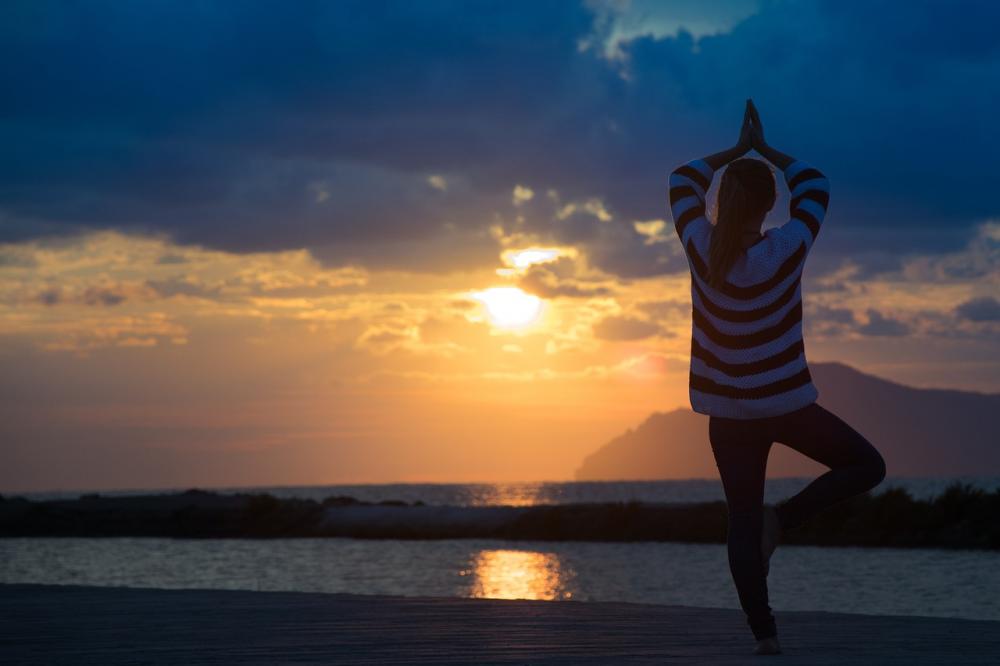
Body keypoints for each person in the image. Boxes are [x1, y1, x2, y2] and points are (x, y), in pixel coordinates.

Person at [667, 99, 887, 655]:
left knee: (740, 519)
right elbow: (814, 182)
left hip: (727, 413)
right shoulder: (787, 247)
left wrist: (734, 152)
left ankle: (765, 636)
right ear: (769, 206)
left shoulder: (698, 245)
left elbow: (681, 178)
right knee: (867, 466)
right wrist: (764, 150)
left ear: (722, 201)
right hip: (787, 404)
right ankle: (783, 520)